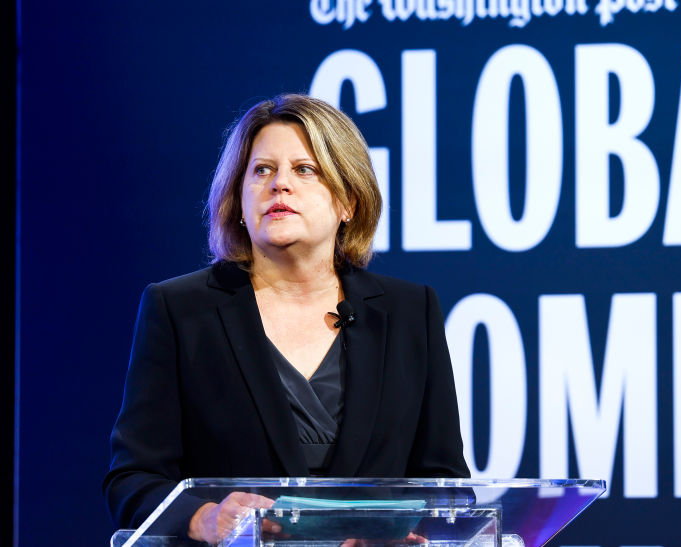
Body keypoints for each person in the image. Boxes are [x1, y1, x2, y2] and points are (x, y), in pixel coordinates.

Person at [104, 94, 470, 544]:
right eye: (261, 170)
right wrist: (206, 518)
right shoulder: (180, 310)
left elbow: (446, 485)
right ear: (238, 201)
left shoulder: (409, 312)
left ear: (348, 201)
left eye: (305, 170)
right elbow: (133, 480)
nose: (280, 185)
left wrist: (408, 532)